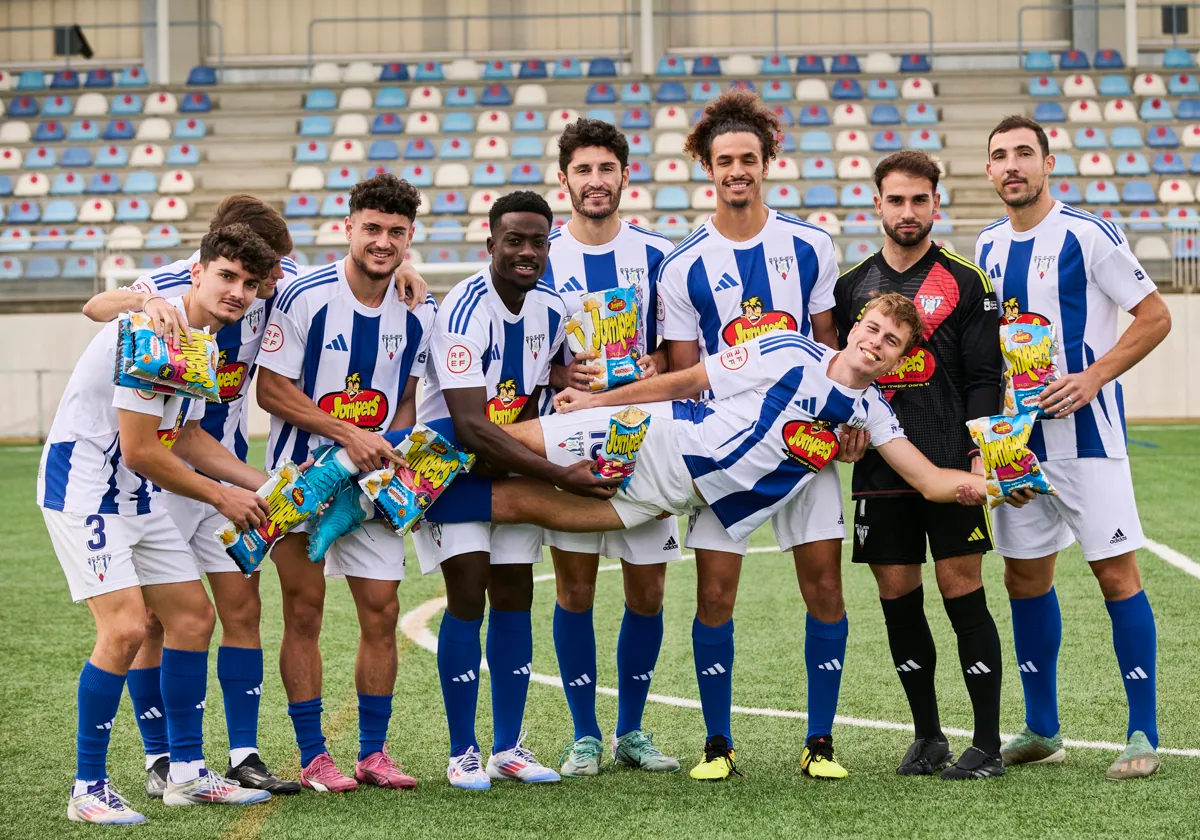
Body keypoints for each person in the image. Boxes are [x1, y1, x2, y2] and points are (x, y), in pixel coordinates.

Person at [38, 225, 282, 824]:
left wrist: (268, 484)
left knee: (193, 618)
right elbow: (143, 449)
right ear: (196, 273)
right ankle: (87, 789)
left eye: (250, 284)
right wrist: (222, 498)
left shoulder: (201, 339)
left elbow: (191, 437)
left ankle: (188, 775)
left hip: (133, 496)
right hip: (86, 493)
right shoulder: (154, 329)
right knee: (123, 630)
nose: (238, 292)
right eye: (226, 276)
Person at [655, 88, 849, 781]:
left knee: (824, 587)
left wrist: (843, 422)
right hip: (726, 454)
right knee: (715, 595)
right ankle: (717, 744)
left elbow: (830, 347)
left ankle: (820, 743)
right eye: (724, 161)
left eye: (748, 159)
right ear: (707, 169)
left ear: (769, 161)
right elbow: (684, 375)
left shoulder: (809, 245)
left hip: (803, 449)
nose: (737, 171)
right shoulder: (682, 266)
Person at [80, 195, 303, 796]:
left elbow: (345, 279)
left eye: (268, 274)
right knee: (153, 621)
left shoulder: (267, 283)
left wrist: (410, 274)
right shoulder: (179, 285)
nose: (268, 284)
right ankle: (163, 760)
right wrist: (145, 300)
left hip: (218, 461)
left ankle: (241, 753)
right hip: (164, 475)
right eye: (257, 272)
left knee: (239, 609)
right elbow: (96, 305)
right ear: (209, 261)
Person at [974, 115, 1172, 779]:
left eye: (1023, 153)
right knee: (1024, 576)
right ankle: (1041, 728)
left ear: (1048, 162)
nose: (1012, 166)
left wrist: (1093, 376)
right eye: (1000, 155)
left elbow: (1155, 317)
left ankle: (1142, 732)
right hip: (1018, 447)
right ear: (990, 170)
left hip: (1090, 441)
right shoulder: (989, 246)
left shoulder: (1088, 234)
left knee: (1116, 572)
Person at [413, 190, 620, 791]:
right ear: (491, 244)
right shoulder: (464, 308)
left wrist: (573, 378)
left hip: (517, 469)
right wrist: (560, 476)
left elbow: (550, 373)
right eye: (515, 241)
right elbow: (473, 426)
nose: (527, 252)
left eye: (537, 241)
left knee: (514, 595)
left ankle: (508, 745)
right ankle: (463, 752)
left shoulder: (552, 307)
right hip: (453, 471)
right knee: (467, 595)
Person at [255, 174, 434, 793]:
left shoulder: (417, 311)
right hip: (301, 482)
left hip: (370, 494)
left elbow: (409, 395)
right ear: (348, 228)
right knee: (304, 612)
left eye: (395, 233)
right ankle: (313, 755)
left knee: (382, 613)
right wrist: (346, 435)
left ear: (409, 239)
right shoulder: (304, 297)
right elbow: (271, 389)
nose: (382, 242)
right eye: (372, 229)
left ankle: (374, 753)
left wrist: (388, 454)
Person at [834, 150, 1007, 779]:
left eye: (919, 200)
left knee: (962, 592)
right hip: (881, 473)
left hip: (950, 466)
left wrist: (980, 452)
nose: (908, 212)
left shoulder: (966, 281)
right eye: (896, 200)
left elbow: (986, 378)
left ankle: (986, 743)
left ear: (937, 204)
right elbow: (842, 378)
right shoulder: (852, 286)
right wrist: (845, 432)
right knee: (897, 597)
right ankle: (928, 735)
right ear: (877, 204)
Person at [540, 118, 681, 776]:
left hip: (645, 438)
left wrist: (645, 369)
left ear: (625, 175)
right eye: (583, 170)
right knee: (573, 588)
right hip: (569, 436)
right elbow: (522, 351)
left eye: (606, 169)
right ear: (563, 178)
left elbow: (679, 352)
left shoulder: (658, 255)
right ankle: (584, 734)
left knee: (646, 592)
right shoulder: (539, 255)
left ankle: (632, 729)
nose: (595, 181)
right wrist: (559, 375)